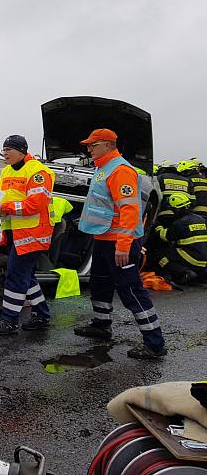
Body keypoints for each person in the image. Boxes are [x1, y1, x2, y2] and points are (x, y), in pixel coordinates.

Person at [74, 128, 166, 359]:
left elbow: (129, 210)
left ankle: (154, 344)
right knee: (100, 284)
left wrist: (123, 245)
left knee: (130, 291)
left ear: (107, 145)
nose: (88, 149)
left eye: (92, 145)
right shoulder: (103, 169)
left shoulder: (120, 170)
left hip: (119, 241)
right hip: (104, 239)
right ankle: (101, 325)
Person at [0, 135, 55, 335]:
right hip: (14, 232)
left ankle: (9, 320)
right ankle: (42, 314)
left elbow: (35, 204)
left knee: (16, 275)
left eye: (9, 149)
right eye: (4, 149)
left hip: (33, 233)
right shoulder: (7, 171)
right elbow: (5, 197)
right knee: (26, 275)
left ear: (21, 151)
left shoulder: (39, 172)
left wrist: (5, 207)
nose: (5, 153)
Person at [150, 191, 207, 285]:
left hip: (192, 258)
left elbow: (165, 236)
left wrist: (157, 226)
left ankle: (184, 273)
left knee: (160, 255)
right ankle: (201, 274)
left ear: (177, 209)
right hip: (204, 259)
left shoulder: (180, 222)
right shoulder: (201, 219)